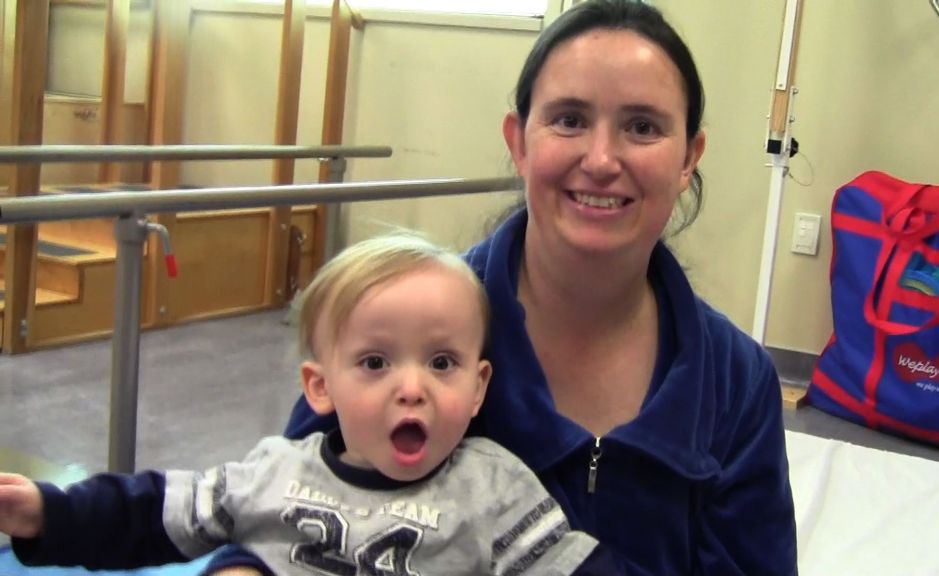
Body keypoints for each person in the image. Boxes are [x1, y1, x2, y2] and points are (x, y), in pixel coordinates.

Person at [210, 0, 799, 574]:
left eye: (642, 127)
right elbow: (278, 520)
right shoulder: (398, 322)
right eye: (569, 120)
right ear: (519, 142)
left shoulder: (734, 380)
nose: (601, 159)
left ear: (688, 157)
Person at [0, 234, 617, 575]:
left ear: (479, 387)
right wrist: (47, 513)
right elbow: (153, 510)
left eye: (441, 363)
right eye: (375, 363)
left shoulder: (494, 490)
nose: (412, 388)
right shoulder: (277, 470)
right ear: (320, 388)